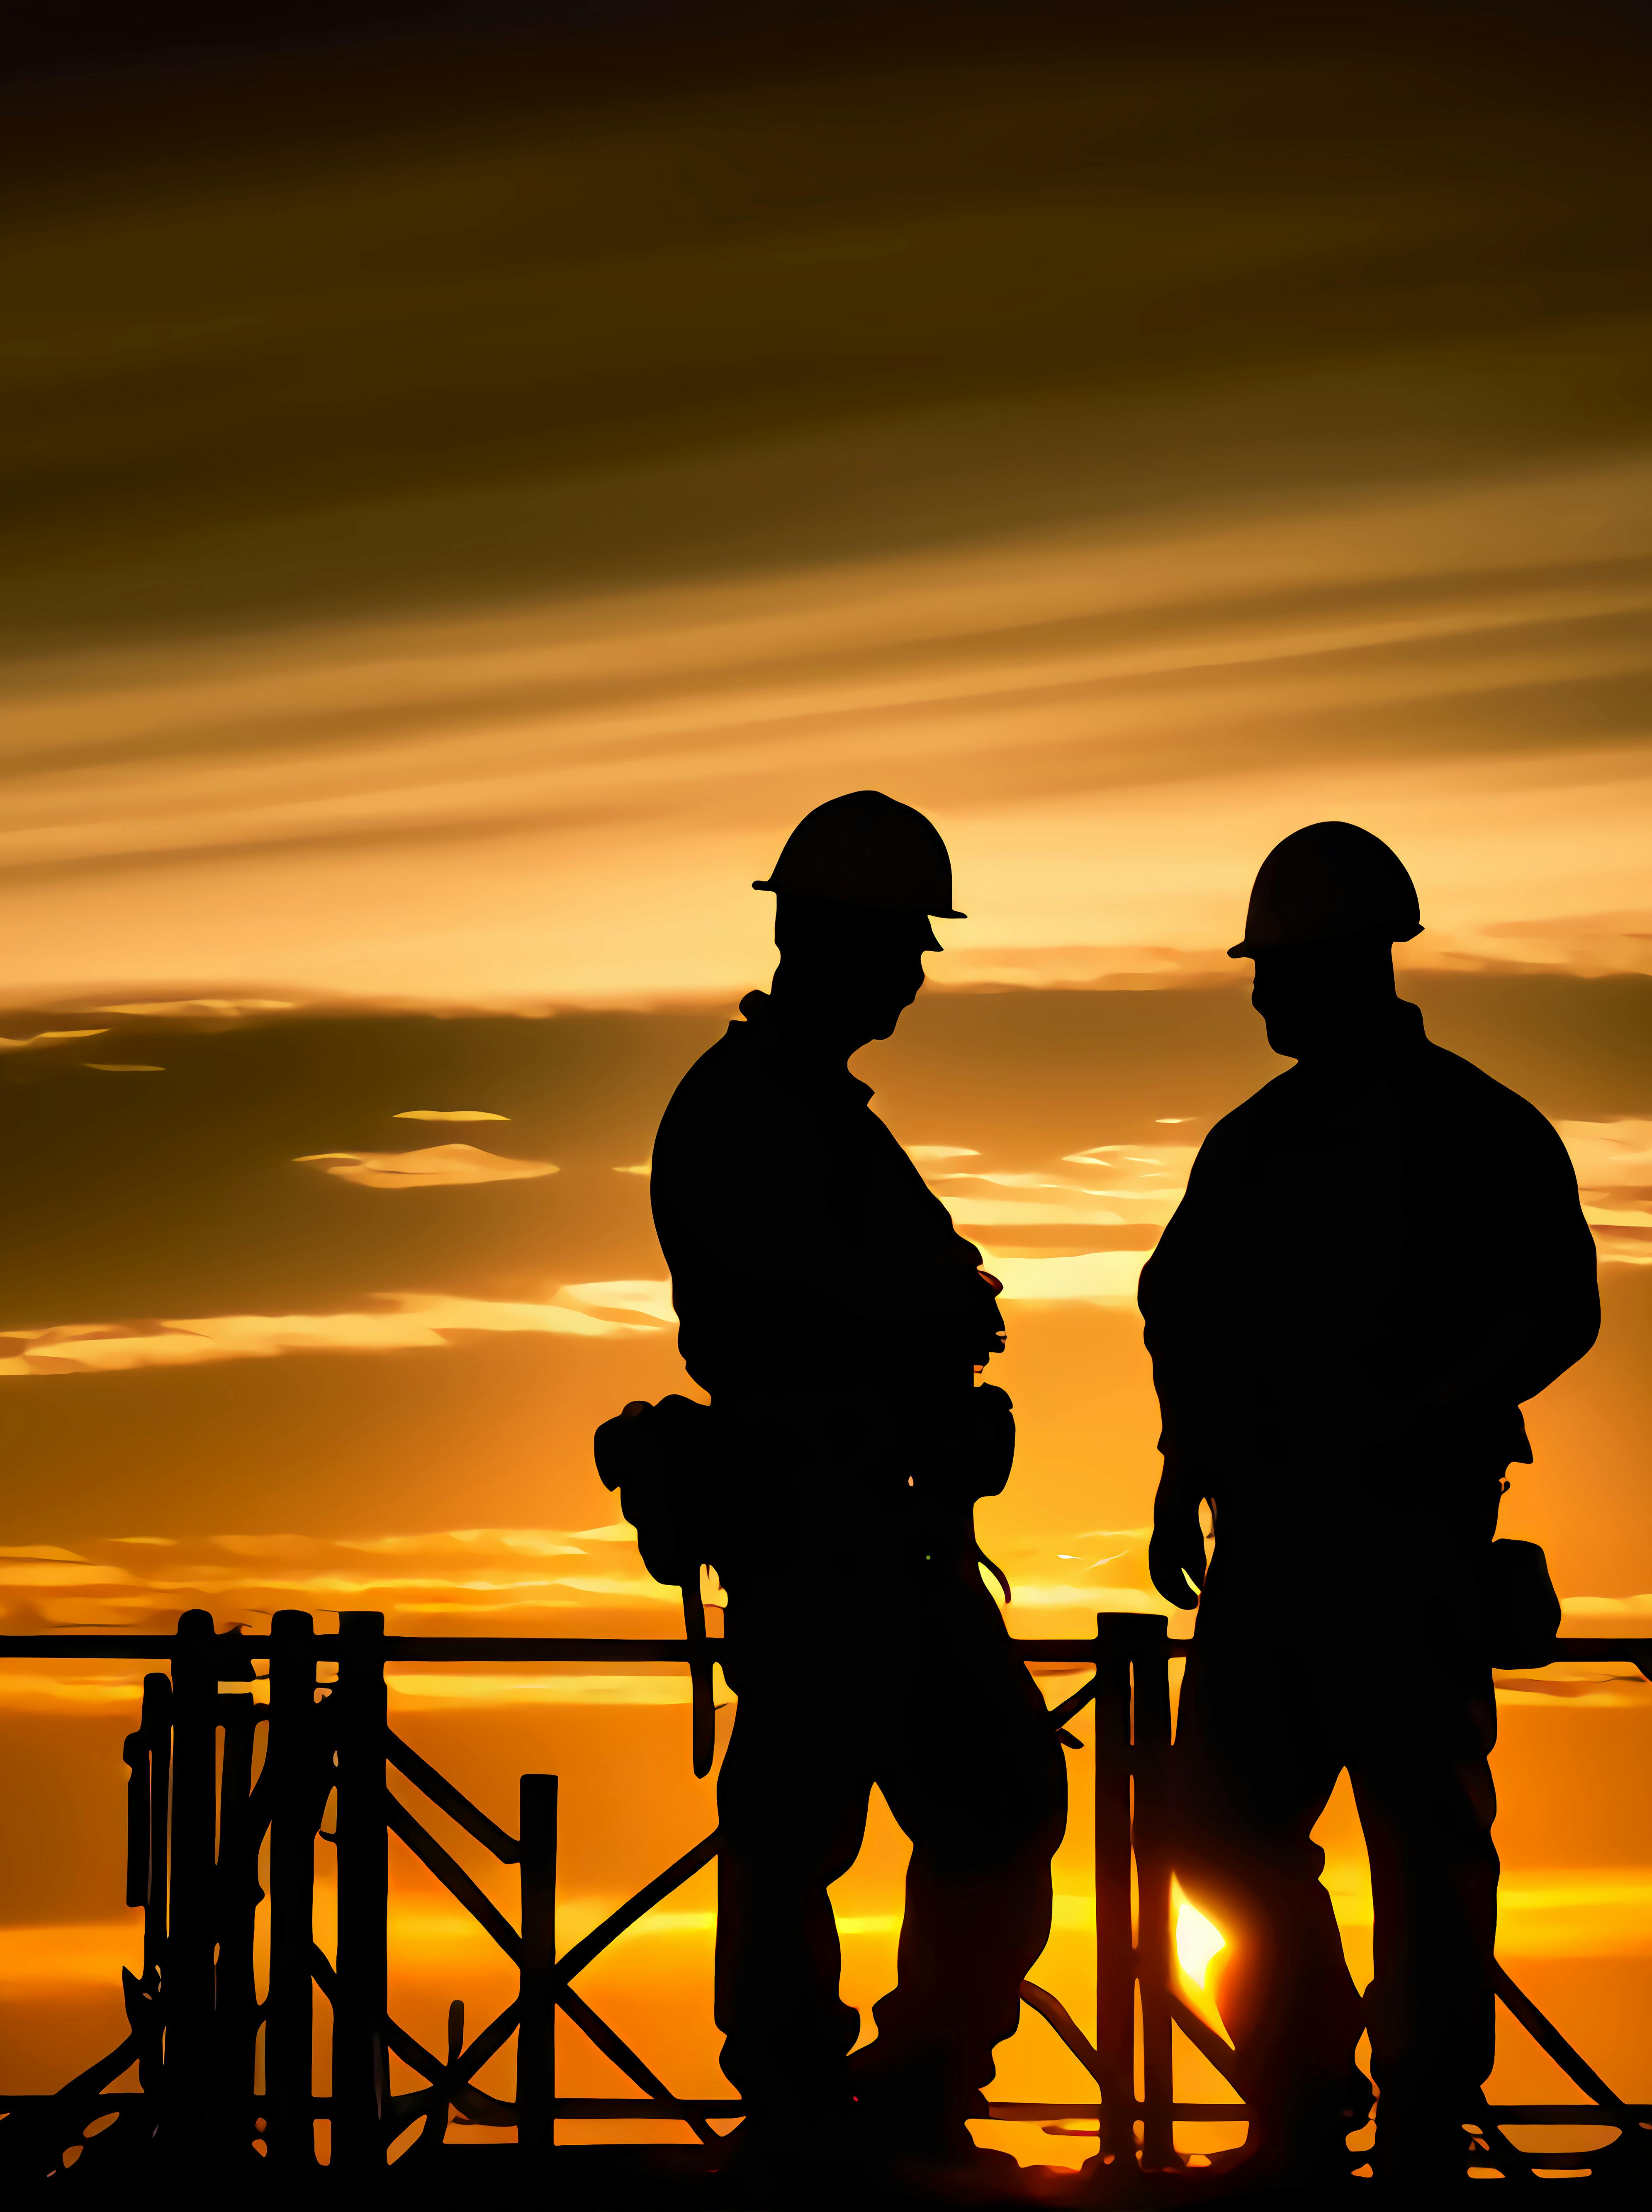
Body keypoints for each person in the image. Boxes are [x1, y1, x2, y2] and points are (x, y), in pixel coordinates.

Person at [1141, 823, 1599, 2189]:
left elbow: (1556, 1308)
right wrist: (1183, 1469)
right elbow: (1183, 1310)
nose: (1259, 994)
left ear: (1344, 966)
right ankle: (1301, 2099)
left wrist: (1425, 1412)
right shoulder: (1254, 1145)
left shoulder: (1473, 1130)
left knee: (1422, 1833)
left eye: (1275, 970)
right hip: (1271, 1544)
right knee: (1215, 1835)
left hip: (1404, 1536)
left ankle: (1416, 2124)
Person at [642, 791, 1064, 2190]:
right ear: (833, 939)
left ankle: (908, 2085)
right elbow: (792, 1304)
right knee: (799, 1818)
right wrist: (931, 1307)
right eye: (904, 944)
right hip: (822, 1525)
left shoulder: (813, 1116)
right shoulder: (747, 1115)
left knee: (996, 1800)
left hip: (888, 1528)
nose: (919, 973)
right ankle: (806, 2107)